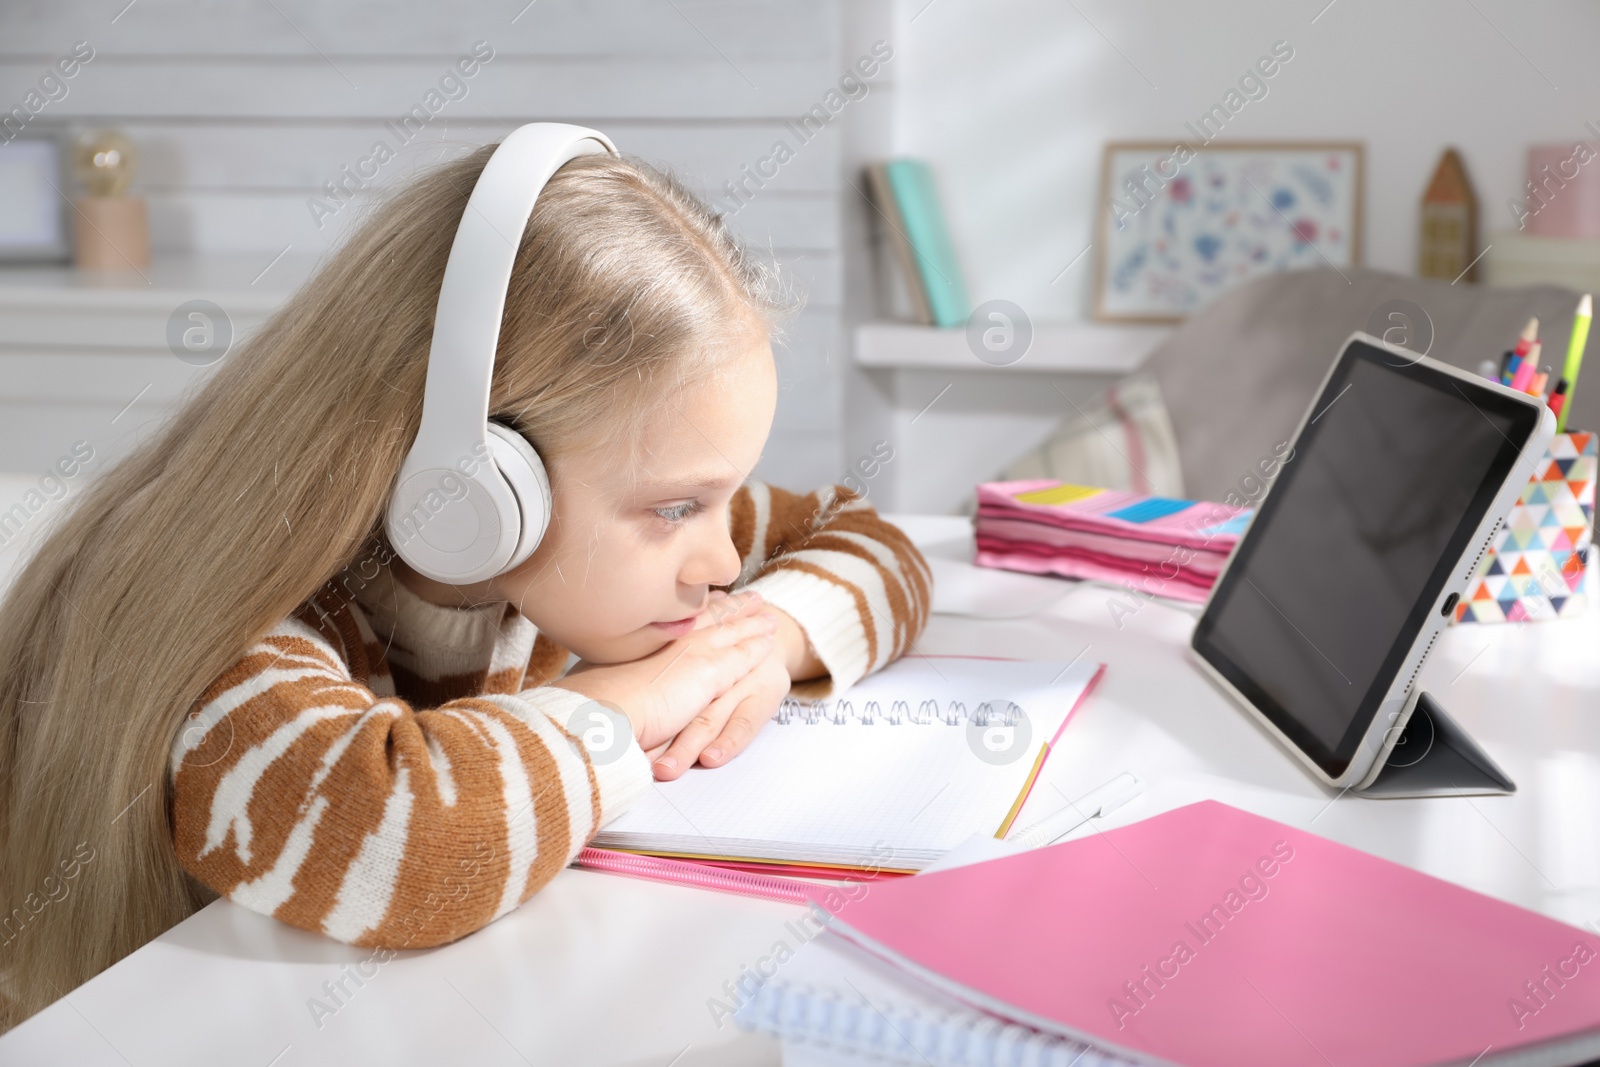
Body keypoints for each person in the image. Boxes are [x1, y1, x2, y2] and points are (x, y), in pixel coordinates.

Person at [0, 137, 930, 1030]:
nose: (724, 561)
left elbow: (874, 542)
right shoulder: (246, 624)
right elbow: (400, 843)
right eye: (676, 508)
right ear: (478, 486)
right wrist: (625, 702)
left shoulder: (567, 553)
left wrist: (766, 642)